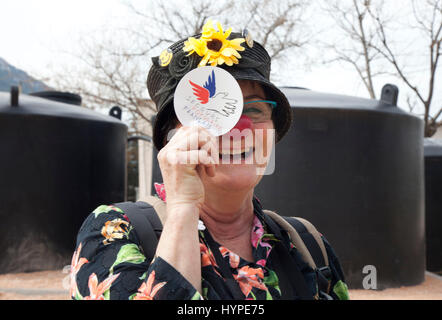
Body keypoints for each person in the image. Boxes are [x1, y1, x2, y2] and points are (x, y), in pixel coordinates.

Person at [69, 20, 349, 300]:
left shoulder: (306, 244)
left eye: (253, 110)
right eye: (211, 112)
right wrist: (182, 208)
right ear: (171, 138)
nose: (239, 127)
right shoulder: (113, 231)